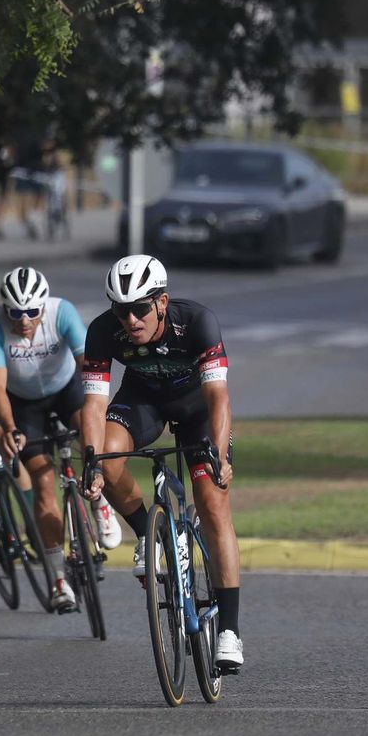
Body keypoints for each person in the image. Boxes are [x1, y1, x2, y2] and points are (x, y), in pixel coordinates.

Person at [81, 255, 243, 673]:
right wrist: (91, 462)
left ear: (162, 302)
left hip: (197, 409)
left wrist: (218, 455)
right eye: (121, 310)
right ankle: (147, 534)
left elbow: (218, 397)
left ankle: (229, 630)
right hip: (143, 402)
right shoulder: (102, 330)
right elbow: (95, 405)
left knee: (212, 503)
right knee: (108, 460)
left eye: (139, 309)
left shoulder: (198, 322)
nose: (130, 320)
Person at [0, 266, 92, 613]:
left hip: (66, 389)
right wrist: (9, 427)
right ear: (5, 309)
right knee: (44, 484)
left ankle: (100, 501)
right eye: (15, 313)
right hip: (25, 404)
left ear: (43, 305)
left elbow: (88, 365)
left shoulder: (62, 312)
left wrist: (96, 408)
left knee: (90, 429)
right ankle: (58, 579)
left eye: (31, 311)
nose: (24, 320)